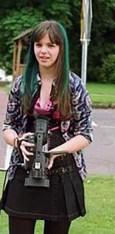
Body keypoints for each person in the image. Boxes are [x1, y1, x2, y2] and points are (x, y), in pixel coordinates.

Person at [0, 20, 93, 234]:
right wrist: (17, 141)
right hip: (23, 169)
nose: (44, 51)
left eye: (51, 45)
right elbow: (8, 126)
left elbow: (85, 134)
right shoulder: (21, 84)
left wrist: (56, 152)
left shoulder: (75, 86)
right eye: (39, 45)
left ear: (61, 49)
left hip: (62, 171)